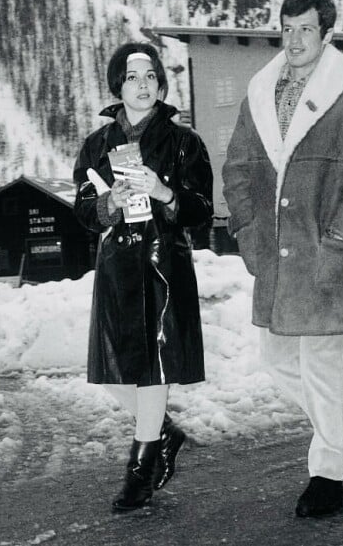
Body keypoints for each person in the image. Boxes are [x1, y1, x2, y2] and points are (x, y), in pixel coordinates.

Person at [222, 0, 343, 517]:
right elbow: (236, 169)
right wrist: (249, 231)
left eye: (304, 29)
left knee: (321, 363)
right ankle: (339, 422)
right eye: (287, 28)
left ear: (326, 35)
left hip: (325, 255)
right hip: (275, 257)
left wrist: (342, 235)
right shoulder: (259, 92)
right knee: (276, 359)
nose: (293, 39)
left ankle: (326, 475)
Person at [73, 42, 213, 512]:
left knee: (154, 366)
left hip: (164, 266)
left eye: (150, 76)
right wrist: (106, 205)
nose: (142, 85)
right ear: (118, 85)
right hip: (116, 265)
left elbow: (201, 211)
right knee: (112, 366)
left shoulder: (184, 142)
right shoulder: (96, 144)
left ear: (160, 83)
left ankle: (140, 468)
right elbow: (82, 211)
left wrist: (164, 191)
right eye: (132, 77)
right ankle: (165, 433)